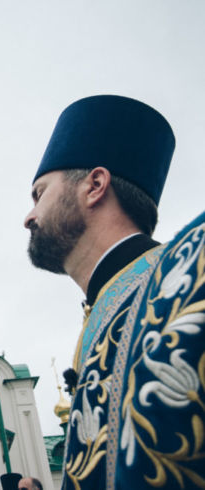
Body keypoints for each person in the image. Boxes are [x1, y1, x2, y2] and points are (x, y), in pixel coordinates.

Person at [24, 95, 205, 489]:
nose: (29, 217)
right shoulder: (99, 312)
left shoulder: (195, 264)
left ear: (95, 186)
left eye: (40, 193)